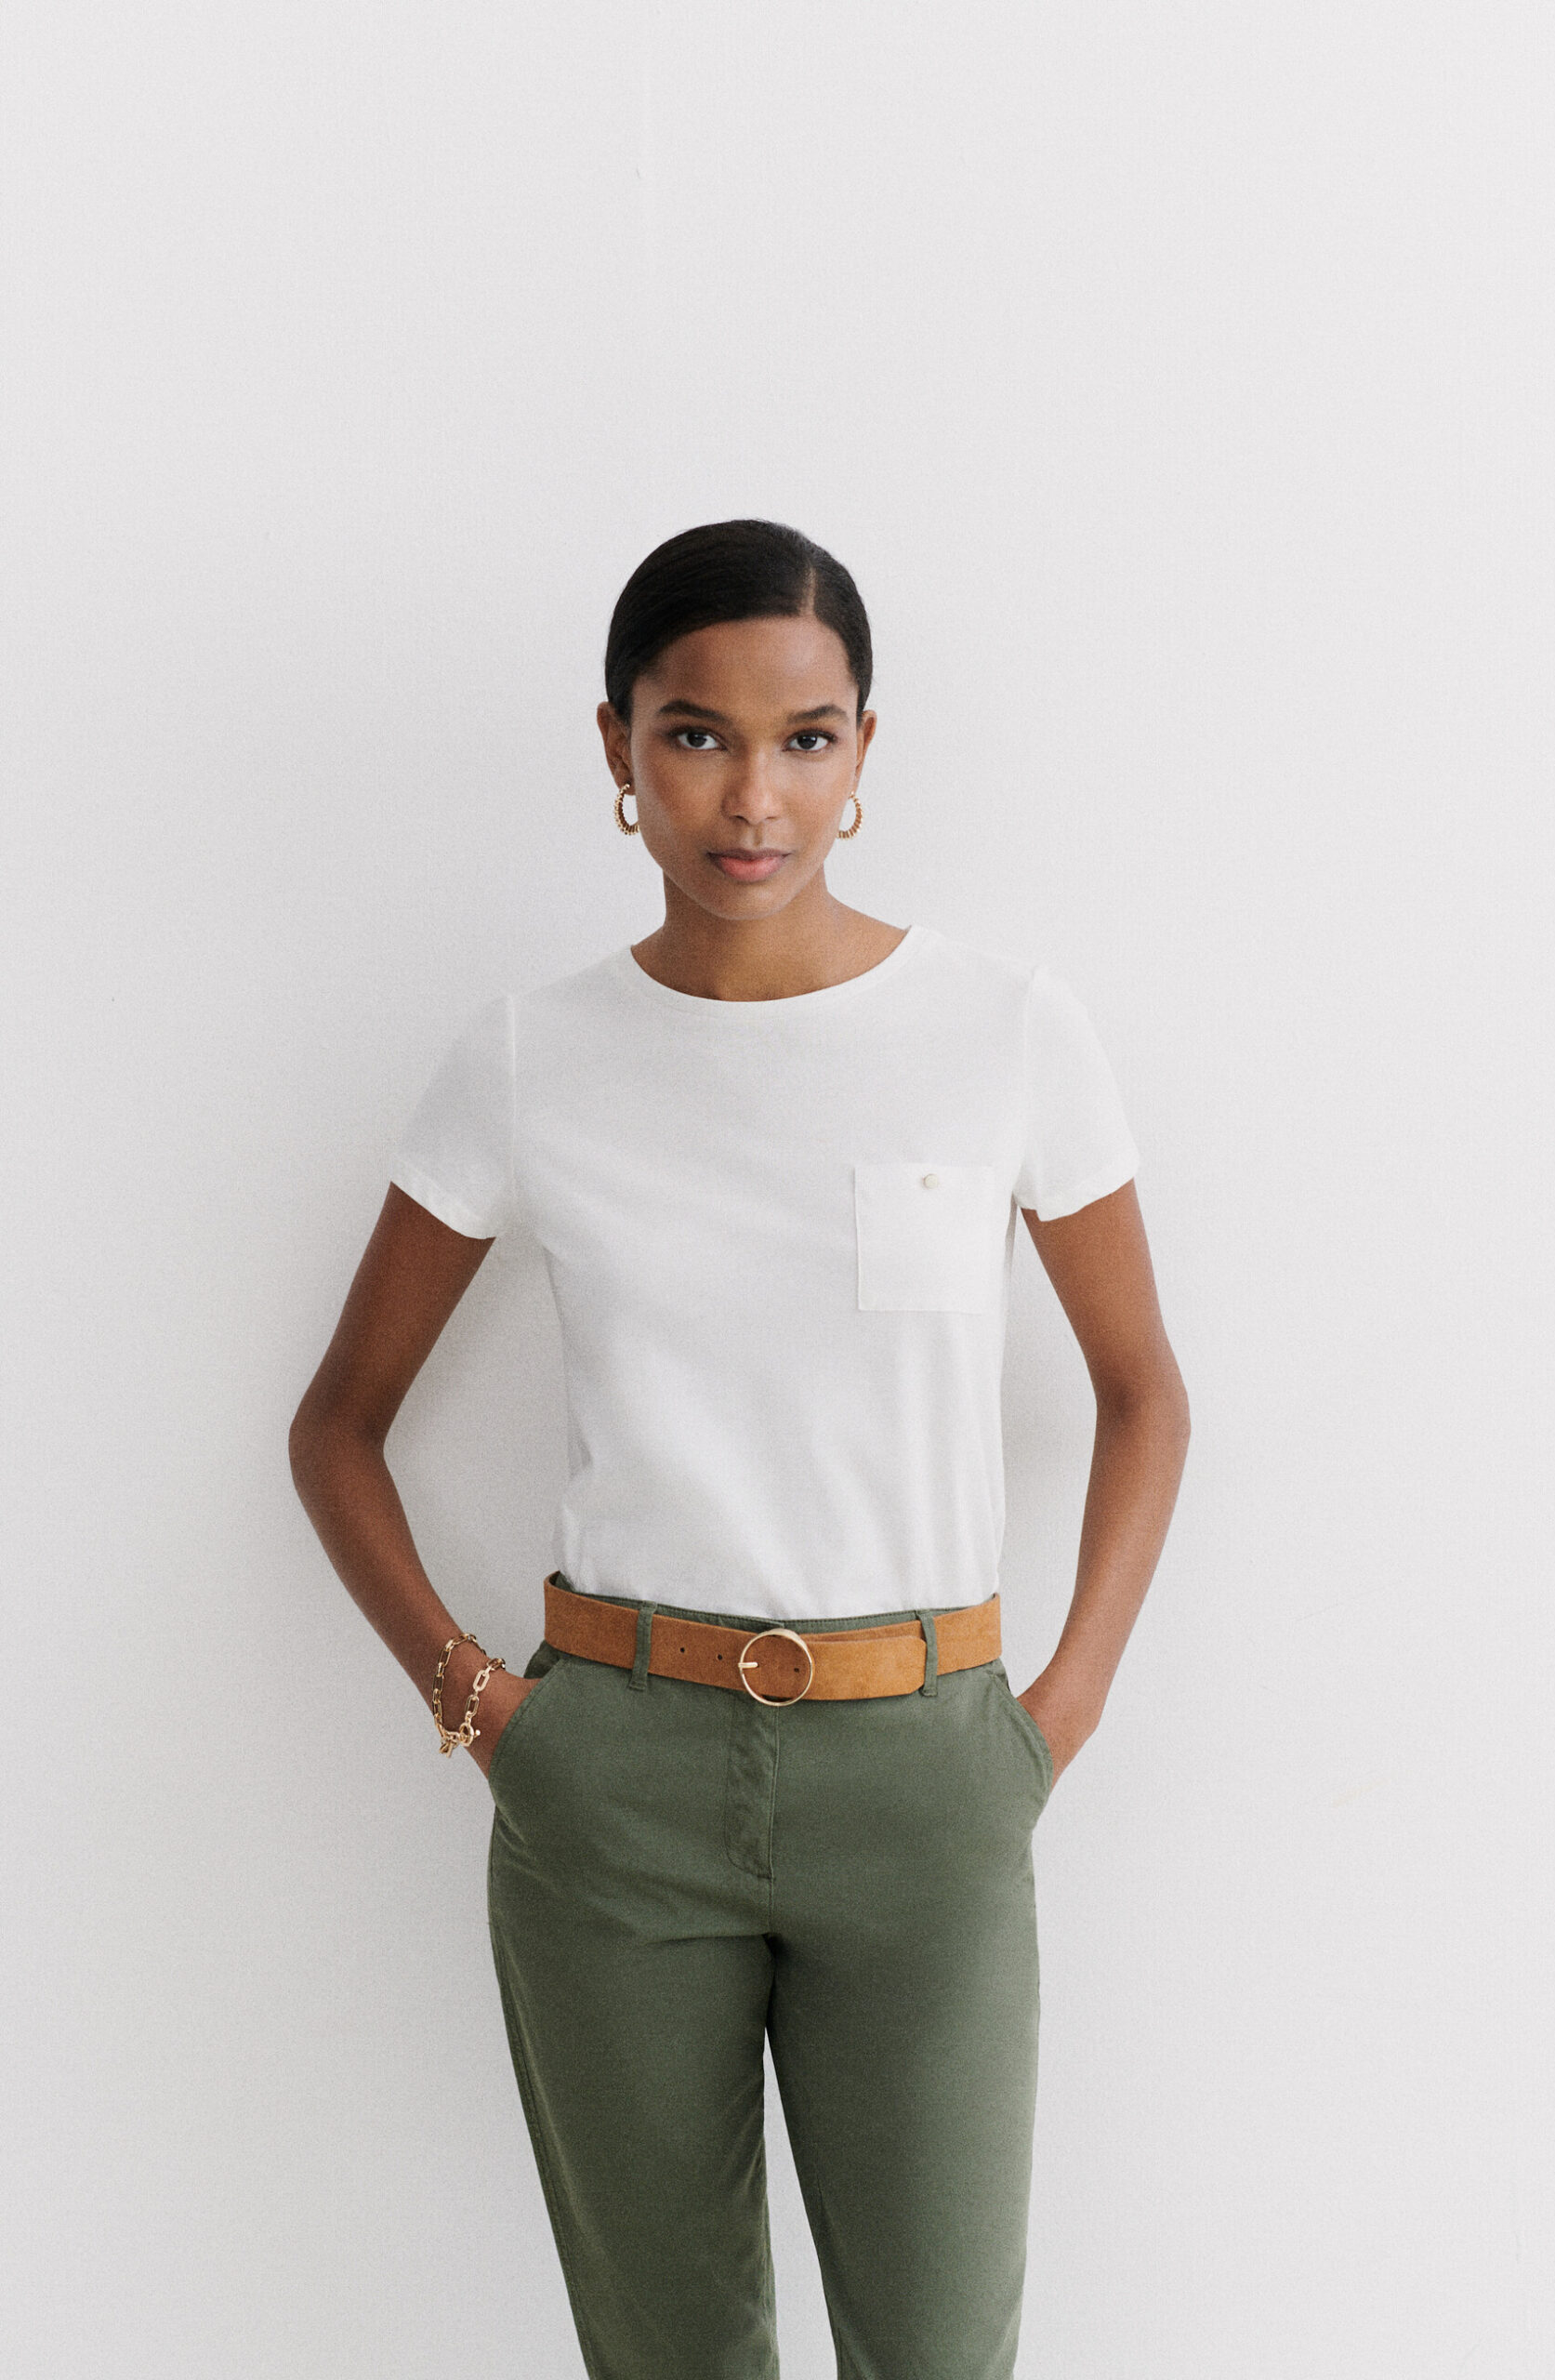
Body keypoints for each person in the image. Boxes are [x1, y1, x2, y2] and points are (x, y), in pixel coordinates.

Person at [289, 518, 1191, 2380]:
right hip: (614, 1781)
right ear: (618, 746)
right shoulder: (530, 1056)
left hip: (928, 1774)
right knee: (668, 2355)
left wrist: (1059, 1711)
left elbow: (1142, 1392)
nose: (752, 795)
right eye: (695, 734)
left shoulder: (1004, 1031)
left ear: (863, 753)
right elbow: (337, 1427)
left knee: (939, 2350)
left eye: (805, 737)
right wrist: (486, 1711)